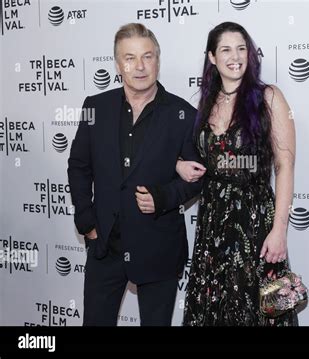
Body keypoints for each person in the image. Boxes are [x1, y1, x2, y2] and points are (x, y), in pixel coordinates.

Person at [67, 23, 201, 326]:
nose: (139, 66)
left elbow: (197, 177)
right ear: (117, 65)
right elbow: (78, 166)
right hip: (105, 249)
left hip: (158, 249)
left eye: (147, 56)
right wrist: (87, 222)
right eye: (130, 58)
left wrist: (163, 197)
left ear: (158, 60)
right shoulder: (95, 107)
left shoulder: (183, 115)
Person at [177, 22, 298, 326]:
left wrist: (279, 230)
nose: (236, 56)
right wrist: (179, 165)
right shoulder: (205, 102)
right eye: (226, 49)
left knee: (266, 308)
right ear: (212, 57)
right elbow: (201, 158)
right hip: (212, 222)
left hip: (256, 220)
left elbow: (285, 165)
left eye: (241, 48)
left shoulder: (268, 97)